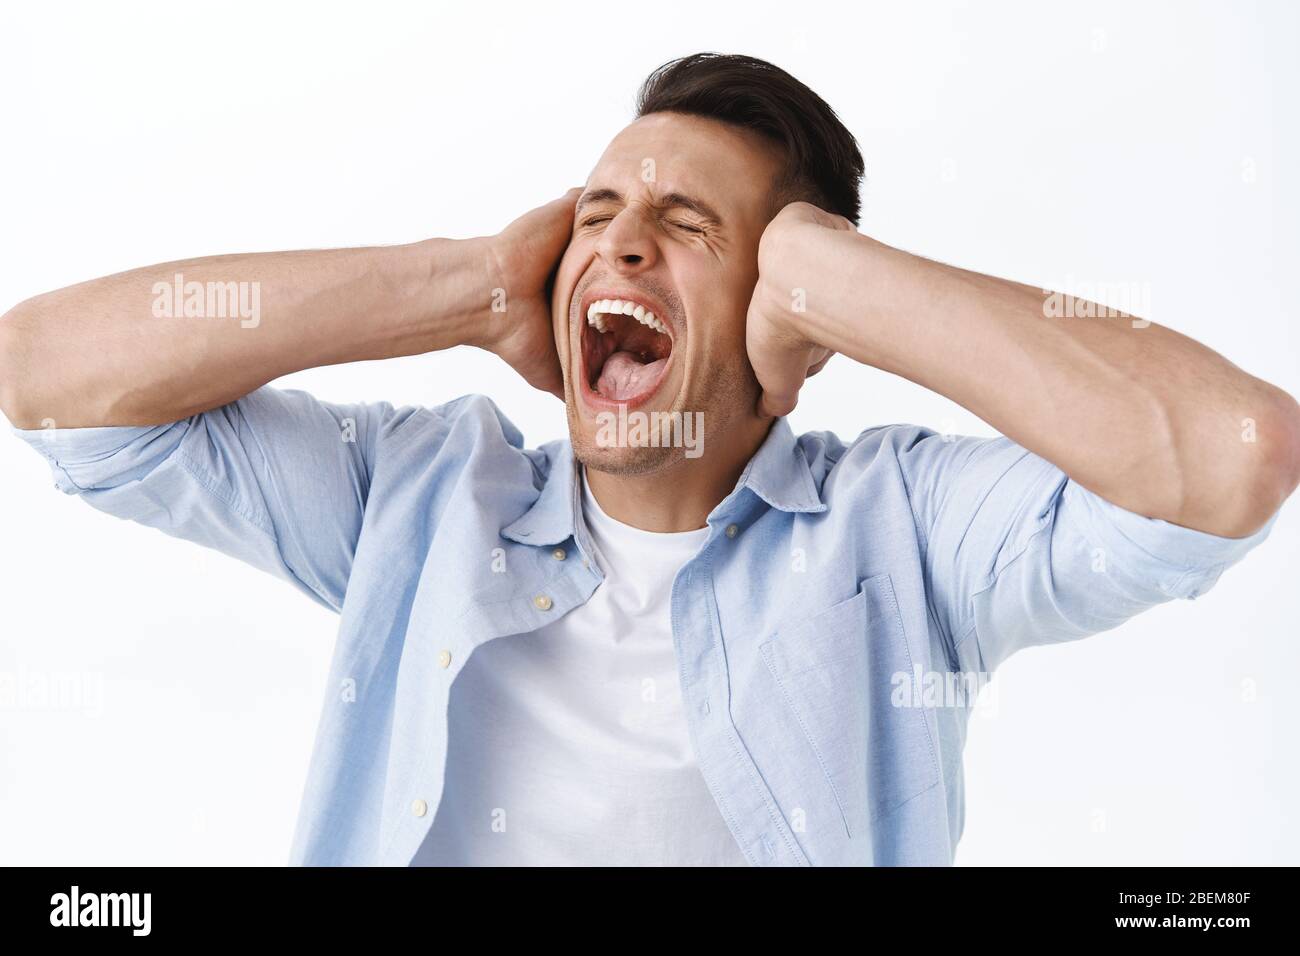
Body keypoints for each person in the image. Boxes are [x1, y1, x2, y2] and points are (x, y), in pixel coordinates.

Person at [2, 53, 1296, 866]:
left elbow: (1230, 457)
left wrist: (825, 273)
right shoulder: (422, 497)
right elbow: (51, 376)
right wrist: (467, 285)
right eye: (596, 218)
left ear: (795, 319)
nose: (620, 250)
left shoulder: (907, 535)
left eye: (687, 227)